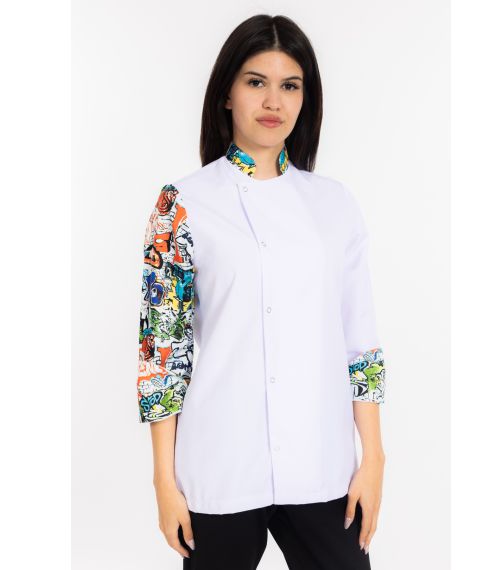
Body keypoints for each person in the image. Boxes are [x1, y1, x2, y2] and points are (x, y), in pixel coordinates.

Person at [136, 14, 386, 570]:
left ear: (305, 98)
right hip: (221, 462)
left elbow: (361, 343)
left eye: (289, 85)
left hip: (321, 463)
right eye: (256, 82)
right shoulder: (181, 204)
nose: (273, 101)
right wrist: (164, 481)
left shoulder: (335, 204)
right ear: (227, 93)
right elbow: (162, 354)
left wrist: (373, 458)